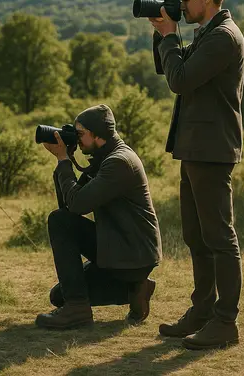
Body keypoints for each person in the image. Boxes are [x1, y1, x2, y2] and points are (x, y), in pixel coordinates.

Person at [149, 0, 244, 350]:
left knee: (220, 237)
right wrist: (163, 36)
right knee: (196, 236)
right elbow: (168, 68)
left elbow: (181, 80)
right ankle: (202, 311)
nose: (182, 5)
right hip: (195, 148)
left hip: (211, 150)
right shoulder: (206, 33)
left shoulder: (223, 37)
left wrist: (171, 37)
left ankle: (226, 321)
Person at [35, 103, 163, 330]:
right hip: (117, 243)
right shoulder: (105, 156)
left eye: (81, 134)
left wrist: (65, 161)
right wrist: (65, 159)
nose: (78, 138)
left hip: (132, 252)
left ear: (98, 135)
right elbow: (69, 204)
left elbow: (76, 206)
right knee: (58, 296)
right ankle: (134, 289)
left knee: (59, 221)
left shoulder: (119, 162)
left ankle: (78, 309)